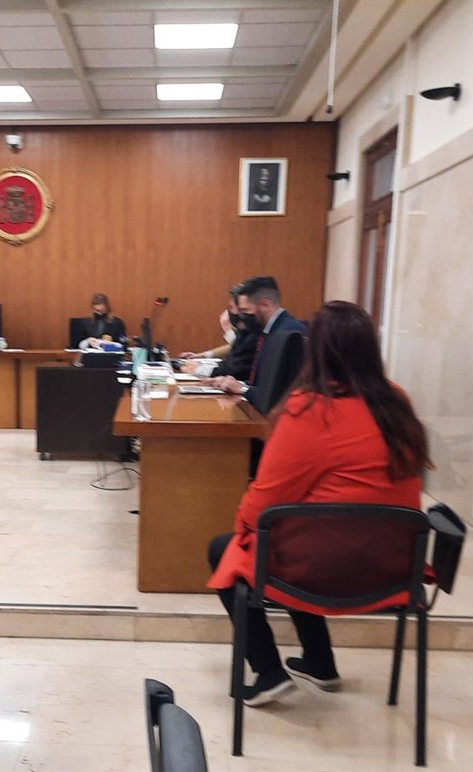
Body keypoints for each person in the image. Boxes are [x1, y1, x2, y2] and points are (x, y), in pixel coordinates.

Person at [207, 301, 431, 706]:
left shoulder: (308, 409)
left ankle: (268, 671)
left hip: (325, 570)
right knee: (304, 538)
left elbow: (262, 504)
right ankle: (320, 662)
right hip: (396, 569)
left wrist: (243, 532)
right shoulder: (398, 400)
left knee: (231, 549)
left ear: (316, 350)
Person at [206, 275, 305, 403]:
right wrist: (234, 383)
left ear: (265, 304)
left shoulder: (288, 334)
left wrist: (243, 389)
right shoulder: (269, 330)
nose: (242, 316)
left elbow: (282, 393)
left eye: (245, 310)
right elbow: (261, 382)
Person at [180, 287, 258, 379]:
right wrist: (204, 355)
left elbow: (240, 360)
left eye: (231, 308)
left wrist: (228, 331)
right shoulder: (246, 330)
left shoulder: (256, 331)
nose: (227, 313)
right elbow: (234, 350)